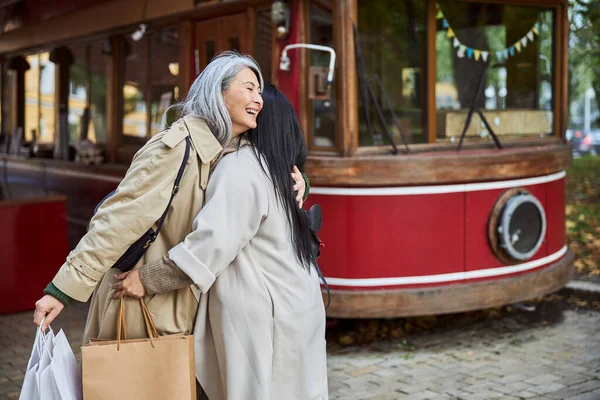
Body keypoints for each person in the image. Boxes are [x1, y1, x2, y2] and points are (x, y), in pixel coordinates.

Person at [32, 52, 308, 343]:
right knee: (128, 387)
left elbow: (265, 183)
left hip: (176, 306)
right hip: (138, 303)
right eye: (249, 87)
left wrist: (301, 182)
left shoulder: (227, 151)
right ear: (218, 91)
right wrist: (62, 290)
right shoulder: (175, 148)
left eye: (260, 91)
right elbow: (118, 219)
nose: (259, 99)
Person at [114, 85, 328, 400]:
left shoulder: (242, 167)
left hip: (265, 317)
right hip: (298, 304)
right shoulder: (278, 169)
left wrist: (146, 279)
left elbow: (209, 245)